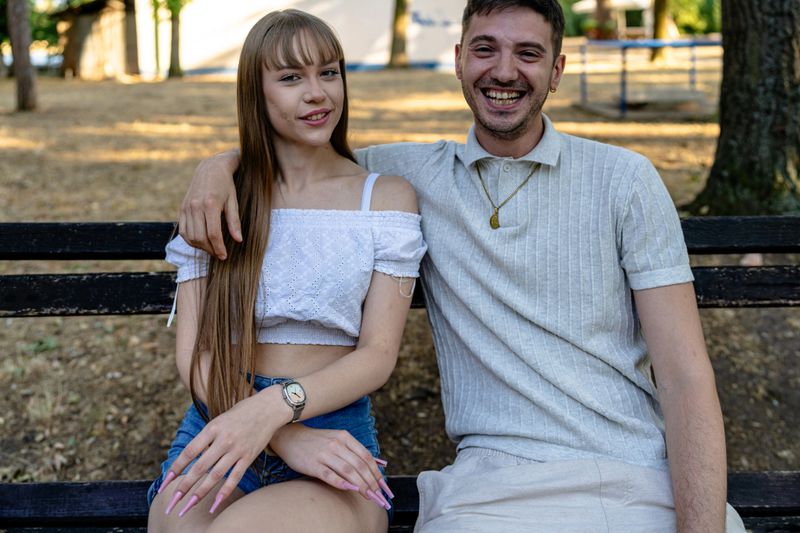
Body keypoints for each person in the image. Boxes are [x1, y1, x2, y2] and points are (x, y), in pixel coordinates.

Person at [177, 1, 747, 531]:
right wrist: (217, 167)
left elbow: (685, 378)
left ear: (557, 70)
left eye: (528, 53)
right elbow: (298, 161)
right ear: (458, 60)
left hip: (628, 471)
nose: (504, 71)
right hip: (491, 481)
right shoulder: (408, 177)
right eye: (485, 49)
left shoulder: (624, 180)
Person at [147, 9, 426, 533]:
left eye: (329, 72)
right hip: (221, 420)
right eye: (292, 77)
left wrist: (280, 411)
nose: (318, 92)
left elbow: (378, 355)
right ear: (258, 93)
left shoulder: (383, 199)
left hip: (331, 433)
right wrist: (280, 434)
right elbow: (195, 356)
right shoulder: (224, 200)